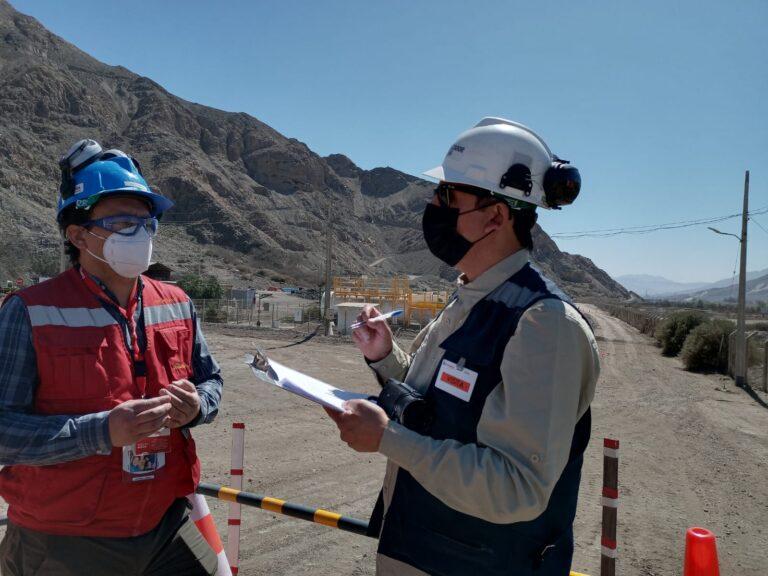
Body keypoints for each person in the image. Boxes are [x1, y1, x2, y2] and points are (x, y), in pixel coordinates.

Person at [326, 118, 600, 575]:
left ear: (496, 216)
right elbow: (443, 405)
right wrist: (386, 358)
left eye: (448, 195)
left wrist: (388, 439)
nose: (433, 205)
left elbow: (518, 486)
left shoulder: (546, 326)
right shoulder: (474, 294)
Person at [0, 140, 223, 575]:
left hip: (163, 522)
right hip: (64, 538)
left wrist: (198, 406)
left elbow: (211, 380)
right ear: (78, 235)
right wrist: (101, 431)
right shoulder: (29, 311)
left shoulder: (176, 303)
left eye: (146, 222)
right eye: (122, 222)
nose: (138, 234)